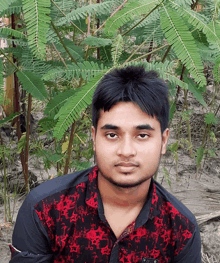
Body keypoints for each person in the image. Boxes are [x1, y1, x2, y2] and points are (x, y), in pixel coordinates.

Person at [9, 66, 201, 263]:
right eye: (112, 135)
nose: (126, 151)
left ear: (163, 141)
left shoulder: (181, 229)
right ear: (94, 138)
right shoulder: (45, 210)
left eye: (142, 135)